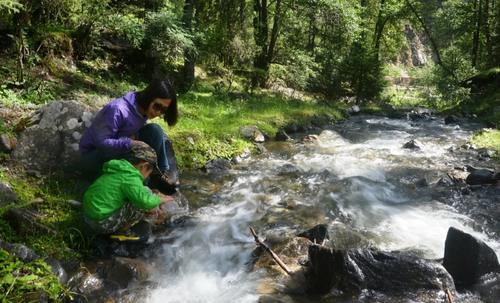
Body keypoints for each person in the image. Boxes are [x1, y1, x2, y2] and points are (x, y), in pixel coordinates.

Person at [79, 78, 179, 188]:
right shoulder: (117, 109)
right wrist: (130, 143)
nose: (158, 113)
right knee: (140, 151)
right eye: (157, 106)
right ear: (148, 97)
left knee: (155, 130)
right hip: (94, 157)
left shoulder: (142, 109)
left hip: (119, 148)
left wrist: (133, 138)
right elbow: (101, 143)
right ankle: (143, 184)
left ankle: (161, 174)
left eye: (163, 110)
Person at [83, 142, 174, 235]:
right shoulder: (131, 178)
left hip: (88, 216)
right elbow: (145, 202)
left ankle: (151, 216)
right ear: (144, 166)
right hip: (101, 223)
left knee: (143, 192)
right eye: (149, 173)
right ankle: (123, 231)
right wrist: (161, 199)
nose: (147, 177)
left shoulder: (120, 169)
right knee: (139, 205)